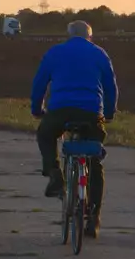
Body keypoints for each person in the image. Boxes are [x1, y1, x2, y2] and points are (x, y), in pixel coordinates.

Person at [30, 20, 118, 236]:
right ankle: (94, 217)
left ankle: (54, 173)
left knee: (45, 134)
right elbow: (110, 86)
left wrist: (37, 108)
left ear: (68, 35)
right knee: (94, 161)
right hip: (90, 112)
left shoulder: (54, 52)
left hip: (60, 111)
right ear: (90, 36)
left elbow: (40, 82)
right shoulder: (99, 53)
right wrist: (108, 113)